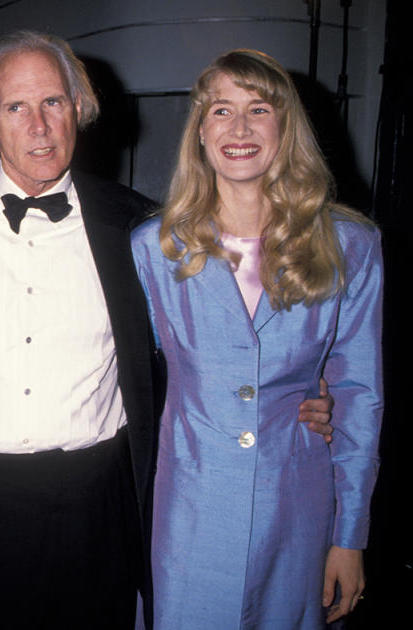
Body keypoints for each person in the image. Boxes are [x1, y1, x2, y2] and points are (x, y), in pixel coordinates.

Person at [0, 31, 335, 629]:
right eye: (16, 107)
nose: (38, 125)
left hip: (101, 503)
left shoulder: (140, 228)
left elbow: (210, 345)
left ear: (79, 108)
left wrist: (308, 393)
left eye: (53, 102)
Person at [131, 49, 382, 628]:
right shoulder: (152, 249)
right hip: (184, 515)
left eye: (259, 109)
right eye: (221, 110)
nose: (239, 128)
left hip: (297, 514)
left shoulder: (350, 246)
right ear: (200, 131)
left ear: (284, 127)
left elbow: (361, 396)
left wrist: (350, 537)